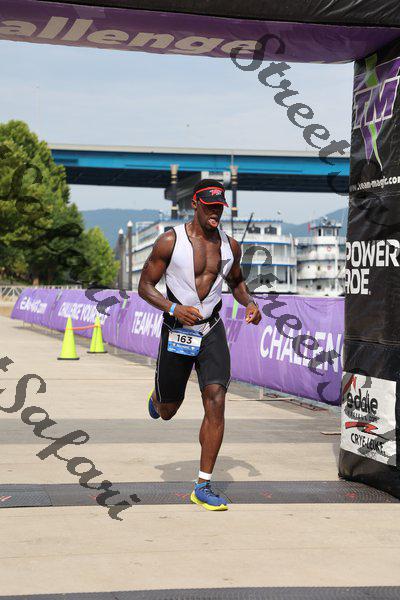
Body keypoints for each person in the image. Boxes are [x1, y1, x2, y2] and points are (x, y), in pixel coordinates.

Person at [138, 178, 261, 511]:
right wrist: (173, 308)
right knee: (168, 410)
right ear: (195, 204)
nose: (215, 213)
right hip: (177, 328)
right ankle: (158, 398)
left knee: (216, 398)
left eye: (219, 207)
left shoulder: (231, 247)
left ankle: (203, 485)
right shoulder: (170, 241)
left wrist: (250, 303)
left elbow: (237, 282)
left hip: (211, 328)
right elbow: (145, 286)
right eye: (209, 207)